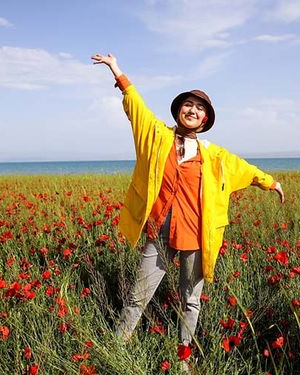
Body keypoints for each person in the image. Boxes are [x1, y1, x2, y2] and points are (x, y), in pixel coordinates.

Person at [91, 53, 285, 353]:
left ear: (205, 119)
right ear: (179, 111)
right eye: (188, 105)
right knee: (138, 295)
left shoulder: (214, 155)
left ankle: (183, 356)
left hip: (196, 235)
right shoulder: (156, 136)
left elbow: (244, 169)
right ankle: (116, 347)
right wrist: (117, 71)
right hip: (159, 232)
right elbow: (136, 108)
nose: (192, 110)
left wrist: (271, 182)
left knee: (190, 299)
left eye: (199, 108)